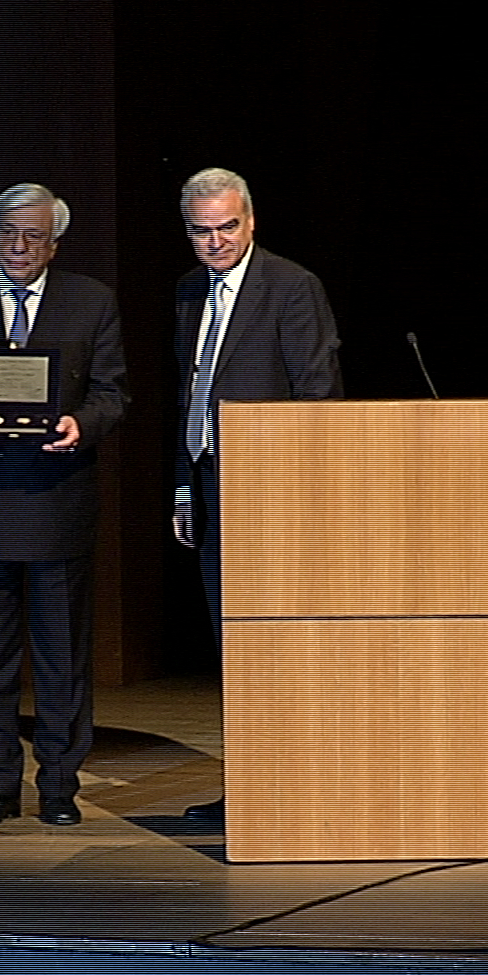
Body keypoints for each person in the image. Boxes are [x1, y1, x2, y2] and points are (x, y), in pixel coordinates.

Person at [0, 183, 127, 828]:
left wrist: (81, 425)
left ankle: (59, 785)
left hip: (58, 500)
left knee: (62, 655)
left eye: (33, 235)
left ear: (54, 243)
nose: (18, 246)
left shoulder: (90, 301)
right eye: (7, 233)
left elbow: (113, 393)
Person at [172, 168, 342, 821]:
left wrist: (297, 494)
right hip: (210, 487)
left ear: (250, 221)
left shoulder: (292, 287)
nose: (215, 241)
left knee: (278, 647)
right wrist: (184, 484)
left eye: (227, 227)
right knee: (235, 649)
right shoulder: (189, 291)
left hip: (274, 494)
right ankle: (248, 790)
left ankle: (295, 787)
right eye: (201, 231)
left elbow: (318, 398)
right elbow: (189, 396)